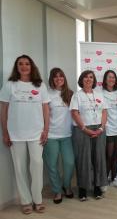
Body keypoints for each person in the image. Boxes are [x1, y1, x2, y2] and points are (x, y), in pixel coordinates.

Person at [0, 55, 50, 214]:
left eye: (27, 63)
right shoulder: (10, 85)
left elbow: (46, 109)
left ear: (31, 66)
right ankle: (26, 201)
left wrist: (46, 130)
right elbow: (3, 109)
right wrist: (5, 132)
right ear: (17, 67)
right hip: (16, 133)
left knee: (37, 165)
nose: (24, 66)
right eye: (20, 64)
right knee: (20, 168)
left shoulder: (40, 85)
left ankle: (38, 199)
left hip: (36, 132)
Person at [70, 70, 108, 201]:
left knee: (99, 159)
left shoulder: (99, 94)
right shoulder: (77, 95)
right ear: (81, 80)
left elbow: (104, 111)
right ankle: (83, 189)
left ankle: (97, 187)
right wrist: (84, 129)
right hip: (82, 130)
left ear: (94, 80)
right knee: (83, 160)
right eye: (85, 77)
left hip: (99, 129)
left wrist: (102, 128)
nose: (88, 79)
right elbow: (74, 113)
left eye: (91, 77)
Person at [43, 68, 74, 204]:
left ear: (64, 78)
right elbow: (43, 115)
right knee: (51, 165)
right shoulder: (46, 94)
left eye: (61, 76)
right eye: (55, 77)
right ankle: (57, 190)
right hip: (51, 136)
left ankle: (66, 185)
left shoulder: (70, 94)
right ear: (51, 79)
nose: (58, 79)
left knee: (69, 162)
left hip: (67, 135)